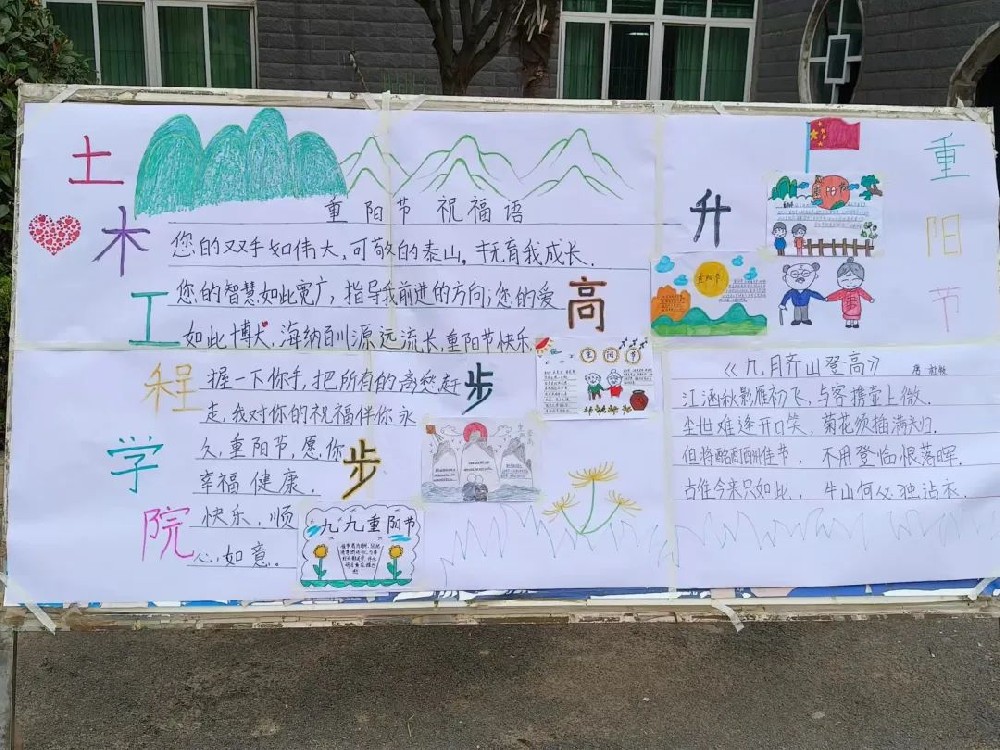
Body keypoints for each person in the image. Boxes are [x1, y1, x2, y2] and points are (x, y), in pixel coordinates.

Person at [826, 259, 874, 328]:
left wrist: (870, 299)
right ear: (839, 281)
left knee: (856, 316)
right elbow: (836, 295)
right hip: (846, 309)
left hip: (856, 309)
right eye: (845, 280)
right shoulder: (842, 291)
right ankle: (848, 323)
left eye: (854, 279)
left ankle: (855, 323)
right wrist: (828, 298)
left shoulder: (858, 290)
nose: (850, 282)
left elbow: (864, 294)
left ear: (861, 279)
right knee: (848, 317)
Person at [779, 262, 824, 326]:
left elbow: (814, 294)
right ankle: (797, 320)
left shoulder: (807, 292)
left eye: (805, 274)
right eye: (794, 274)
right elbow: (786, 297)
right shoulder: (792, 292)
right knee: (797, 313)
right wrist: (783, 304)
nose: (800, 278)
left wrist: (822, 298)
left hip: (805, 305)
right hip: (796, 305)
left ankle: (805, 320)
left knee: (804, 312)